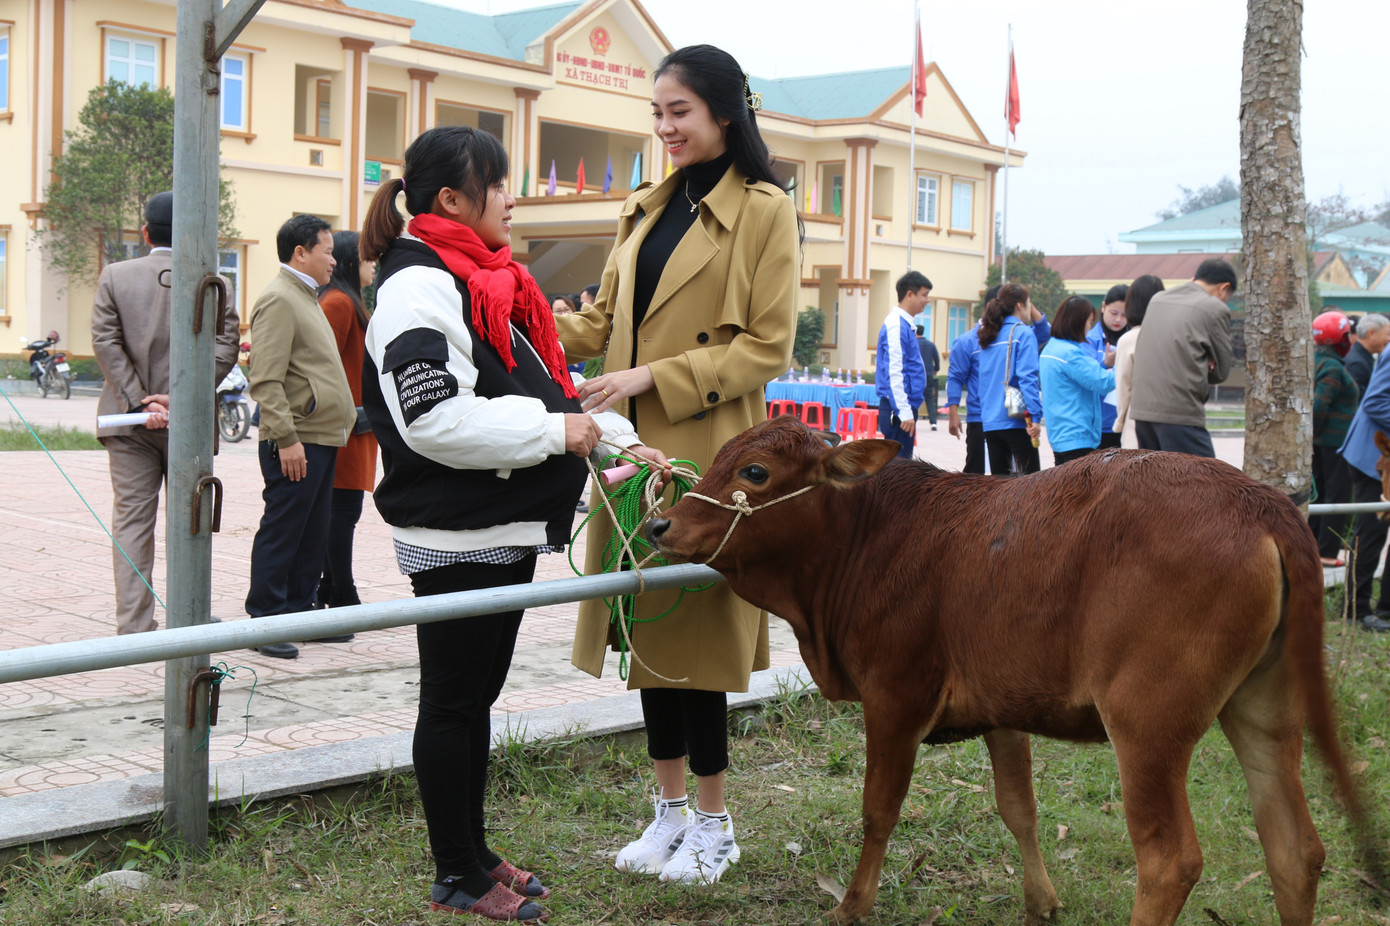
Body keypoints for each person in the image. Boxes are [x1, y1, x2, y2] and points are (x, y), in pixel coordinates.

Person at [359, 125, 669, 922]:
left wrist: (625, 444)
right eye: (498, 185)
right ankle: (456, 872)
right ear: (451, 200)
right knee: (455, 701)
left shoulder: (490, 280)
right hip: (456, 533)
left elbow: (553, 390)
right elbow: (433, 417)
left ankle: (474, 850)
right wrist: (557, 436)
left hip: (500, 527)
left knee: (477, 698)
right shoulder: (417, 287)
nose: (511, 198)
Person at [554, 44, 800, 886]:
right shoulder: (644, 207)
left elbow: (767, 346)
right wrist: (524, 315)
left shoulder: (766, 210)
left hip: (710, 456)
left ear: (724, 113)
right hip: (629, 451)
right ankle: (665, 816)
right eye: (657, 112)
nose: (664, 127)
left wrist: (651, 375)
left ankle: (715, 824)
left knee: (697, 642)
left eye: (679, 112)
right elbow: (603, 321)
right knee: (646, 629)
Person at [91, 191, 240, 635]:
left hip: (128, 423)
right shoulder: (215, 282)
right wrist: (180, 398)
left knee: (133, 522)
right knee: (191, 521)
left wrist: (141, 401)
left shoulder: (115, 276)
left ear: (144, 233)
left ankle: (135, 625)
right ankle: (189, 615)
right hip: (189, 424)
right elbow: (225, 347)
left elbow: (105, 341)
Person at [245, 214, 357, 660]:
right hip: (296, 438)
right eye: (327, 251)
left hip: (321, 435)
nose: (334, 259)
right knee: (285, 527)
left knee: (313, 530)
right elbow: (266, 379)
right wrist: (286, 437)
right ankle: (266, 616)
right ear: (301, 253)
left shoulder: (305, 295)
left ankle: (299, 612)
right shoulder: (279, 299)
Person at [315, 229, 378, 618]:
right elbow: (321, 366)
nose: (373, 264)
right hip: (344, 428)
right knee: (341, 513)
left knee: (341, 512)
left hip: (354, 425)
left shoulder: (347, 301)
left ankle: (330, 587)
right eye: (368, 257)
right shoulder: (338, 303)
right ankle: (341, 592)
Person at [1128, 258, 1236, 457]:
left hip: (1143, 411)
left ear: (1195, 279)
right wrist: (1204, 367)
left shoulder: (1158, 299)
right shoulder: (1214, 307)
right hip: (1179, 411)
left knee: (1155, 482)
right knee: (1206, 480)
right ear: (1223, 288)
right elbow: (1222, 370)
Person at [1337, 348, 1390, 632]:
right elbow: (1375, 402)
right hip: (1375, 459)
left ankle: (1386, 609)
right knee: (1372, 531)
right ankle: (1355, 608)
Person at [1039, 296, 1117, 465]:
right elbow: (1103, 383)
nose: (1089, 328)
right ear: (1077, 322)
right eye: (1089, 322)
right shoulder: (1070, 354)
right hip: (1077, 437)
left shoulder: (1051, 347)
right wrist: (1125, 364)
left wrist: (1104, 364)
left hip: (1060, 435)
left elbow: (1083, 377)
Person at [1308, 311, 1359, 568]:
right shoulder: (1331, 367)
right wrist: (1316, 438)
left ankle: (1313, 546)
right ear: (1338, 338)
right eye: (1346, 334)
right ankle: (1326, 552)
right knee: (1337, 495)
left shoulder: (1315, 360)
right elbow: (1318, 407)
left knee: (1320, 494)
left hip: (1322, 444)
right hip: (1333, 443)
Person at [976, 282, 1043, 474]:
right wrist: (1035, 416)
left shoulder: (988, 334)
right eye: (1029, 302)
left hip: (990, 421)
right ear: (1020, 305)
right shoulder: (1023, 333)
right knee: (1031, 486)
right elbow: (1027, 377)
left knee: (999, 488)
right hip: (1015, 420)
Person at [876, 272, 930, 459]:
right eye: (924, 294)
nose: (927, 300)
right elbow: (894, 370)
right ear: (910, 294)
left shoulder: (905, 324)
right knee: (898, 472)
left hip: (902, 407)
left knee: (901, 469)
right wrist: (903, 410)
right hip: (897, 408)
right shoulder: (896, 324)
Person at [1111, 275, 1166, 449]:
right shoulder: (1172, 335)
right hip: (1170, 422)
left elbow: (1123, 387)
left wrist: (1119, 423)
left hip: (1137, 422)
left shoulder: (1129, 340)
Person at [1084, 283, 1127, 448]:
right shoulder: (1089, 339)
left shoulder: (1133, 338)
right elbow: (1086, 377)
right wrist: (1105, 364)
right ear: (1103, 307)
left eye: (1124, 315)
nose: (1118, 320)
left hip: (1123, 424)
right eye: (1114, 313)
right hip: (1096, 425)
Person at [1345, 313, 1390, 397]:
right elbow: (1360, 400)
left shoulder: (1363, 356)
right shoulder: (1357, 363)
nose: (1389, 339)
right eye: (1387, 334)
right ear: (1371, 333)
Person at [916, 323, 940, 430]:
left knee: (913, 398)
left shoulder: (913, 344)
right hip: (929, 375)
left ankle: (912, 420)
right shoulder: (931, 344)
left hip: (916, 375)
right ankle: (933, 422)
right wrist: (936, 369)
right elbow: (937, 359)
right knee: (929, 398)